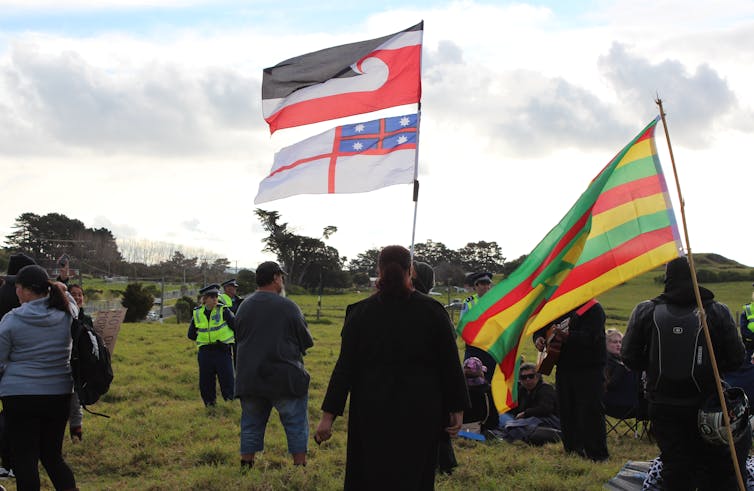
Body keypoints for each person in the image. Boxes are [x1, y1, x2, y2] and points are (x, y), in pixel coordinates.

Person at [315, 245, 469, 490]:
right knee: (413, 477)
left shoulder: (359, 313)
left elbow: (344, 369)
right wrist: (457, 408)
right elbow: (450, 365)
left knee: (371, 476)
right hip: (420, 412)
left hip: (371, 412)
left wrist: (327, 417)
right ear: (411, 271)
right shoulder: (433, 312)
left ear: (379, 270)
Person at [622, 256, 749, 490]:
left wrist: (652, 367)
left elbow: (628, 356)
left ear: (667, 279)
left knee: (675, 467)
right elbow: (737, 359)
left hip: (662, 404)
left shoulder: (645, 310)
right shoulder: (717, 311)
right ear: (695, 276)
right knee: (717, 466)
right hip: (708, 406)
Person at [0, 264, 78, 491]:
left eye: (17, 287)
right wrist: (61, 286)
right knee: (53, 457)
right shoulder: (66, 313)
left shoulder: (12, 320)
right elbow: (72, 302)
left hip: (20, 396)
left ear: (23, 291)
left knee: (25, 460)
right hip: (59, 394)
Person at [234, 261, 313, 468]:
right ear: (276, 278)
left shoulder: (244, 306)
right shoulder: (288, 306)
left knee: (251, 424)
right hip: (284, 377)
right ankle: (299, 469)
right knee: (295, 423)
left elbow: (239, 337)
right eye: (282, 277)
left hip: (250, 377)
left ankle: (246, 466)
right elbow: (306, 341)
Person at [533, 300, 609, 461]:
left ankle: (597, 455)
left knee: (590, 411)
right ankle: (572, 451)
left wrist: (567, 336)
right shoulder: (558, 307)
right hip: (564, 367)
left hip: (589, 368)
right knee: (567, 410)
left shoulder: (593, 308)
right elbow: (541, 327)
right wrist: (538, 338)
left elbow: (592, 338)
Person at [411, 260, 458, 474]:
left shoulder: (432, 309)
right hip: (427, 380)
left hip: (430, 379)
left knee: (437, 426)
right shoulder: (432, 308)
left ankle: (443, 464)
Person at [0, 252, 36, 479]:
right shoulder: (21, 296)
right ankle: (12, 462)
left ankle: (8, 462)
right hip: (19, 364)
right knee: (14, 417)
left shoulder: (2, 290)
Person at [187, 283, 235, 407]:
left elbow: (236, 327)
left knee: (227, 380)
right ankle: (209, 405)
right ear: (205, 299)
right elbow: (191, 334)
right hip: (205, 353)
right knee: (206, 381)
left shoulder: (223, 310)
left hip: (222, 351)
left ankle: (229, 404)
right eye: (212, 297)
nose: (215, 299)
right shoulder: (197, 313)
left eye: (216, 296)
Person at [497, 362, 560, 445]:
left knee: (523, 424)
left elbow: (546, 409)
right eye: (523, 377)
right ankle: (506, 430)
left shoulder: (545, 389)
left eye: (531, 376)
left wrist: (525, 413)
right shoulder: (522, 390)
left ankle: (504, 433)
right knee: (501, 415)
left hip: (547, 420)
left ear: (537, 376)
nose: (528, 380)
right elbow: (515, 408)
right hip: (526, 420)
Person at [460, 271, 496, 383]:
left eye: (488, 283)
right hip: (474, 345)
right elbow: (463, 323)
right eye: (483, 283)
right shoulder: (468, 302)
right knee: (470, 375)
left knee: (490, 377)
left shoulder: (496, 301)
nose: (486, 286)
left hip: (491, 345)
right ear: (476, 286)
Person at [603, 328, 641, 418]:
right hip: (611, 405)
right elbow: (610, 385)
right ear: (605, 343)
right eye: (614, 342)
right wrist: (621, 368)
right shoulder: (603, 363)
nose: (618, 345)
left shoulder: (627, 361)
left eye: (620, 342)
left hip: (634, 405)